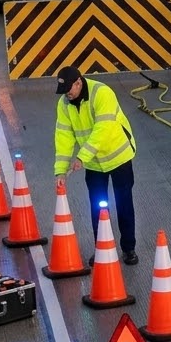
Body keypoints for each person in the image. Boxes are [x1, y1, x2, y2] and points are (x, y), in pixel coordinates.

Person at [53, 66, 139, 265]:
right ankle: (102, 247)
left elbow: (103, 129)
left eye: (70, 90)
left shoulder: (102, 93)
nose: (67, 95)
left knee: (124, 204)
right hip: (93, 164)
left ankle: (129, 249)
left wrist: (82, 157)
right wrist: (60, 170)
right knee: (98, 208)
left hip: (118, 158)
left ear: (78, 82)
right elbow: (63, 137)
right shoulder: (64, 104)